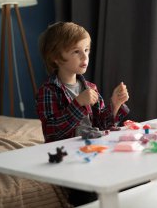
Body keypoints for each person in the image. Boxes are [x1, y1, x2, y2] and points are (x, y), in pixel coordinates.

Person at [36, 21, 130, 206]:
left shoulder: (90, 88)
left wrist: (115, 104)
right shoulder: (48, 91)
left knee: (131, 180)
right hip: (67, 156)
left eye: (86, 50)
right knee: (87, 194)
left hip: (92, 151)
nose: (84, 56)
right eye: (76, 51)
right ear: (56, 57)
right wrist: (78, 103)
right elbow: (53, 131)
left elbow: (103, 125)